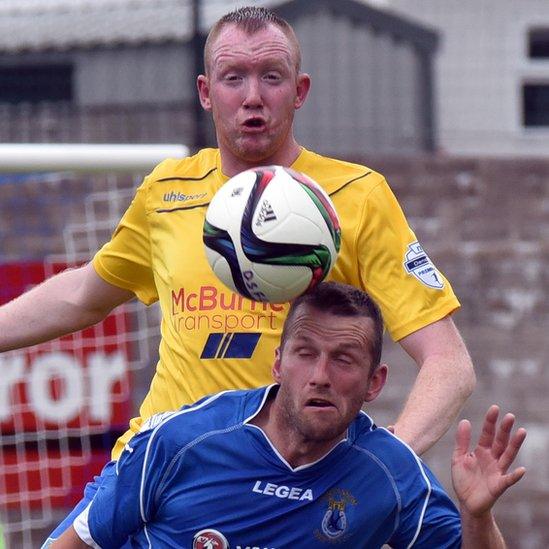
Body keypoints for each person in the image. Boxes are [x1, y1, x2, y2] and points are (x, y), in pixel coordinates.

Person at [0, 5, 474, 543]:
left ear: (299, 90)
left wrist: (383, 465)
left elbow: (448, 361)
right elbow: (85, 294)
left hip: (286, 497)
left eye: (271, 77)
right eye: (234, 78)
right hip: (154, 474)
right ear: (206, 92)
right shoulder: (168, 192)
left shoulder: (356, 199)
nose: (253, 96)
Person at [51, 282, 525, 548]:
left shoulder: (391, 473)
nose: (320, 375)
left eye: (343, 359)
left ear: (374, 384)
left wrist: (477, 516)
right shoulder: (181, 441)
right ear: (278, 363)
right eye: (305, 353)